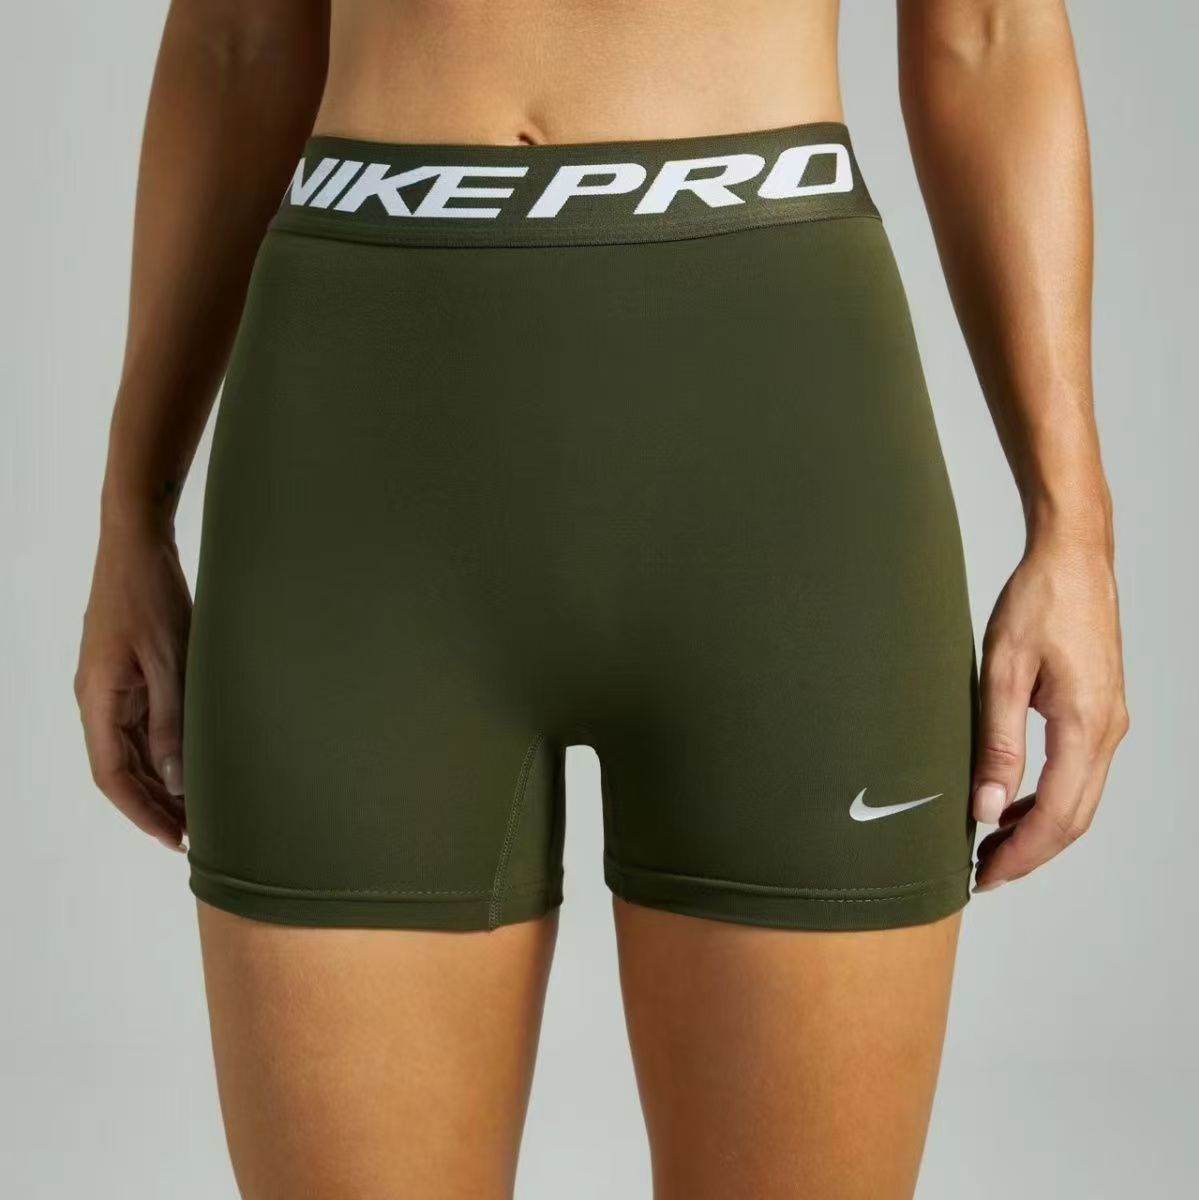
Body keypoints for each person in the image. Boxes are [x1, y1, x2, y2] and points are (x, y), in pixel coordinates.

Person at [74, 1, 1128, 1196]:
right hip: (359, 486)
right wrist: (131, 514)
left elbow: (987, 34)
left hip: (782, 476)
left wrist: (1073, 530)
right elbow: (235, 40)